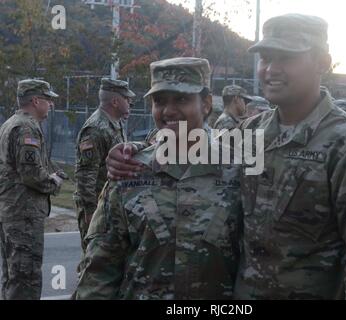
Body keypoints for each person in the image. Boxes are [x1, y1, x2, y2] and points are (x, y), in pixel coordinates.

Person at [106, 14, 346, 300]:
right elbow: (190, 148)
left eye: (286, 58)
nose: (271, 69)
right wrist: (130, 150)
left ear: (322, 63)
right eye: (266, 58)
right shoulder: (251, 132)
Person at [75, 57, 242, 299]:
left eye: (182, 99)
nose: (169, 111)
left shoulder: (238, 171)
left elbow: (256, 265)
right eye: (159, 101)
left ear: (206, 104)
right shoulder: (129, 171)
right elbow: (100, 270)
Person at [0, 79, 62, 299]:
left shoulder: (11, 123)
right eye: (48, 100)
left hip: (12, 210)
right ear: (35, 101)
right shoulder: (27, 128)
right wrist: (53, 181)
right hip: (23, 214)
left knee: (13, 277)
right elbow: (32, 175)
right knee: (25, 279)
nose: (51, 105)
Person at [73, 78, 135, 259]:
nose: (130, 101)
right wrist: (91, 212)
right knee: (95, 261)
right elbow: (86, 176)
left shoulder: (114, 123)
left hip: (111, 203)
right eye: (126, 98)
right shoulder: (96, 128)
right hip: (97, 207)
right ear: (115, 101)